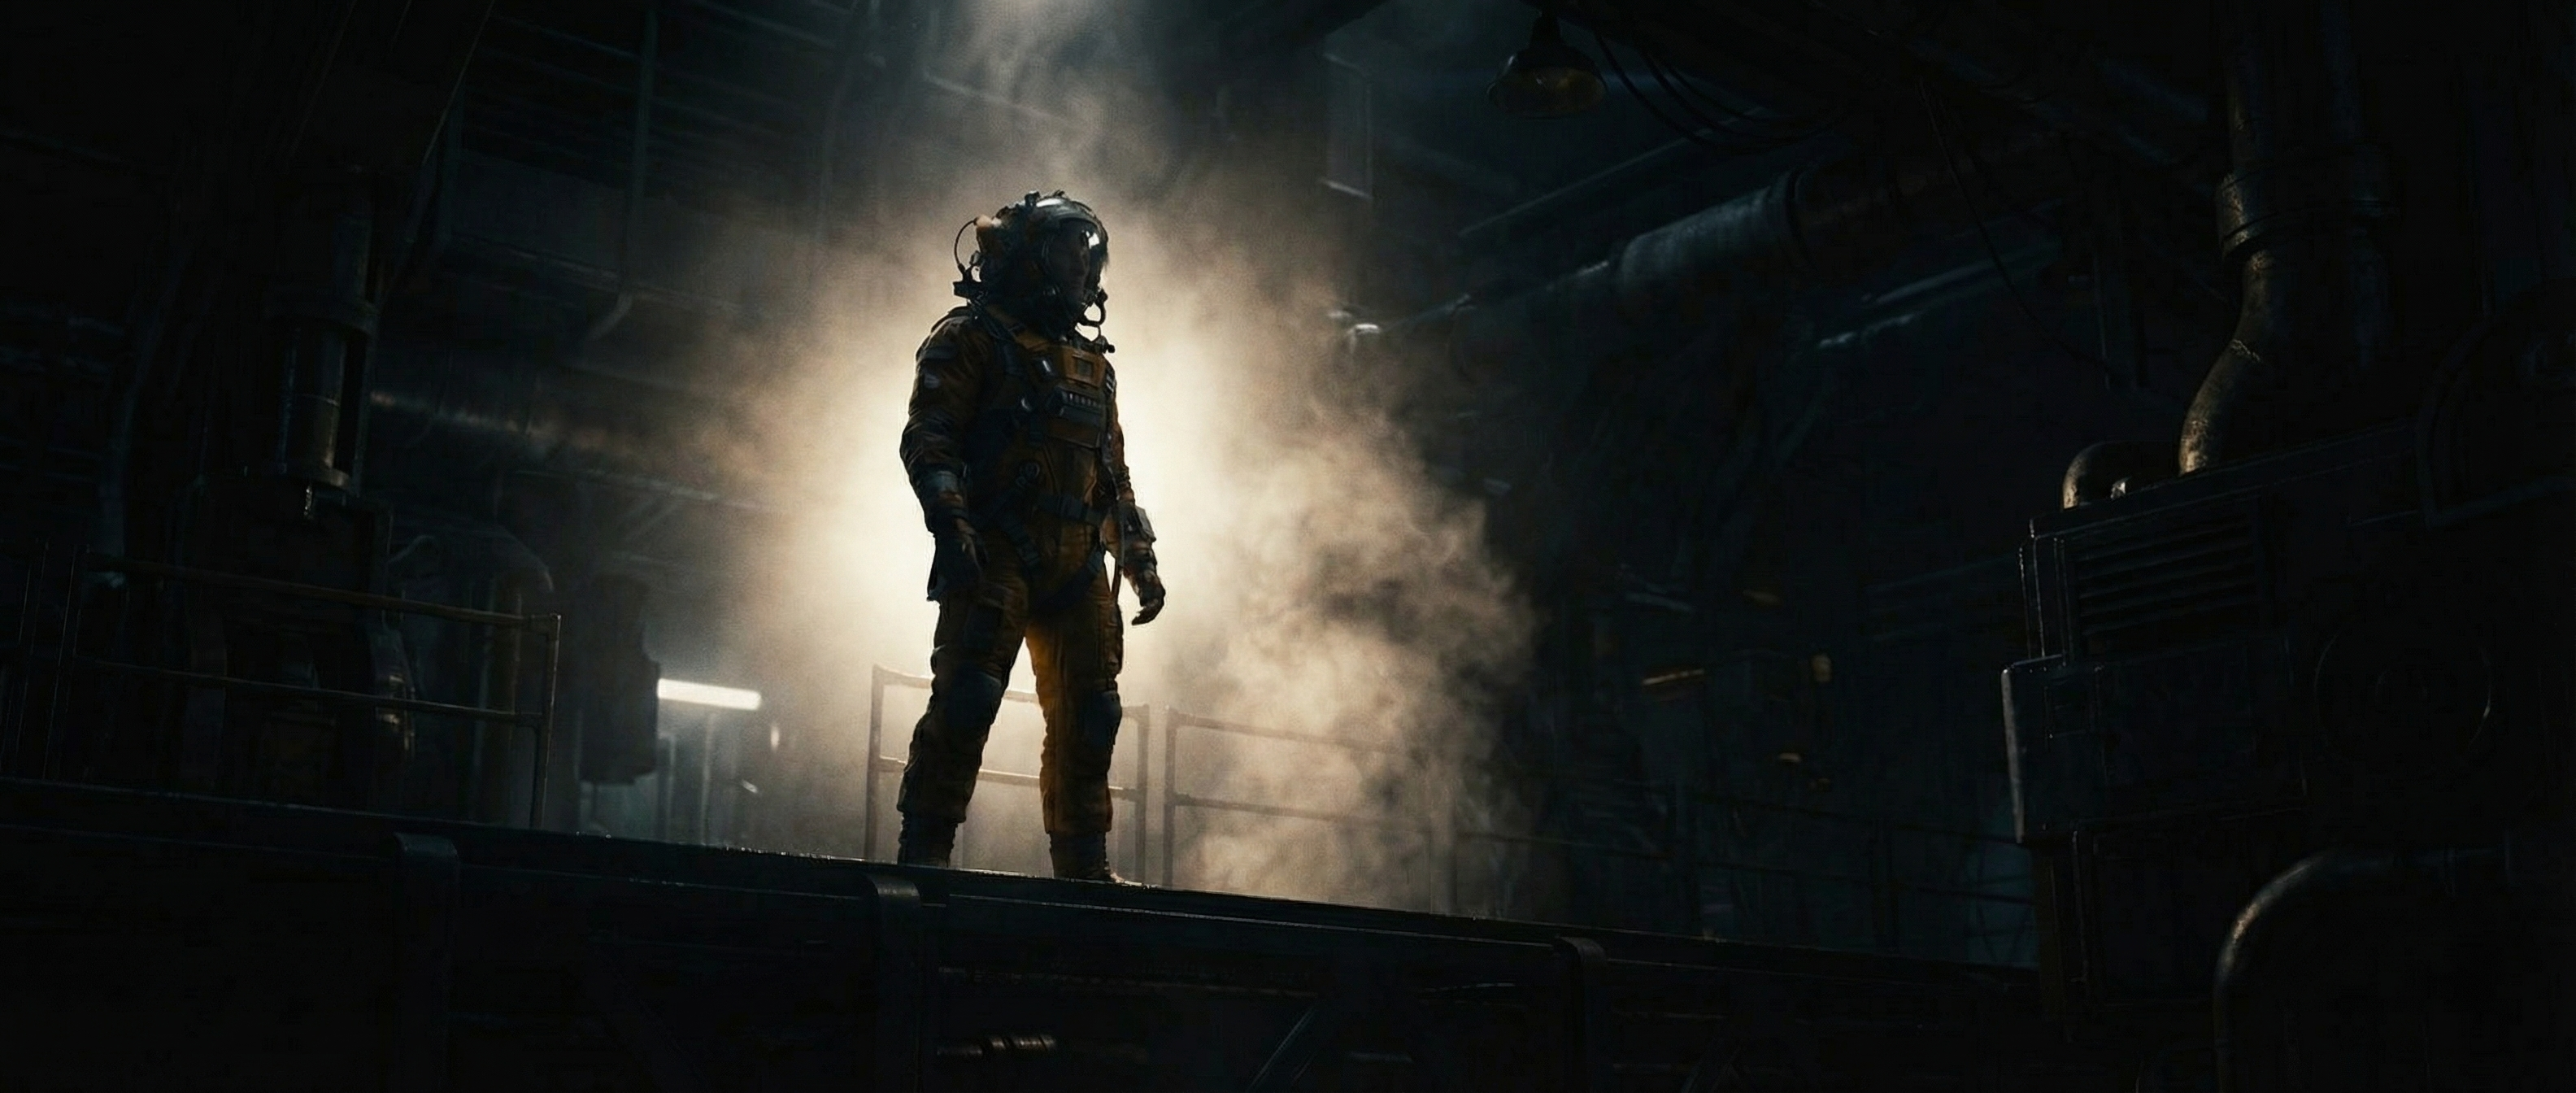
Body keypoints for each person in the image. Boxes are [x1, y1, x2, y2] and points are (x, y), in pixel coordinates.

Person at [894, 190, 1165, 882]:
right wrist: (951, 521)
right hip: (998, 551)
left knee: (1093, 713)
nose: (1081, 267)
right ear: (1026, 258)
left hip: (1078, 564)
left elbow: (1112, 476)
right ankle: (926, 853)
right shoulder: (970, 338)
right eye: (1066, 250)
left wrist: (1139, 558)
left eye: (1086, 254)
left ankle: (1083, 866)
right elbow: (929, 437)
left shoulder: (1094, 366)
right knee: (969, 696)